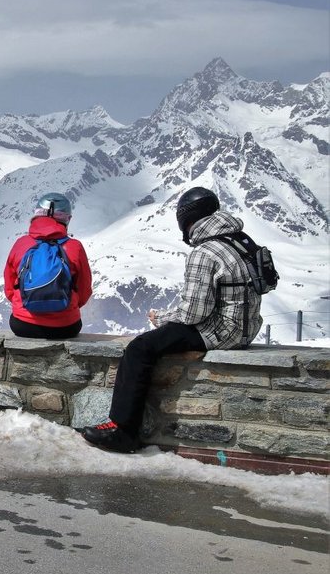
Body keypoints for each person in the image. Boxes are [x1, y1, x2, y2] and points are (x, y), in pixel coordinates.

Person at [83, 187, 264, 453]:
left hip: (221, 330)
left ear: (186, 219)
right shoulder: (240, 242)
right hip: (247, 329)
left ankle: (123, 430)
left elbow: (194, 314)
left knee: (139, 348)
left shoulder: (205, 252)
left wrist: (162, 318)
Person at [3, 192, 92, 339]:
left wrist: (24, 304)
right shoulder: (75, 247)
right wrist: (66, 308)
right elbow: (84, 290)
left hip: (23, 324)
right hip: (66, 327)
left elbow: (9, 288)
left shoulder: (21, 244)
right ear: (67, 219)